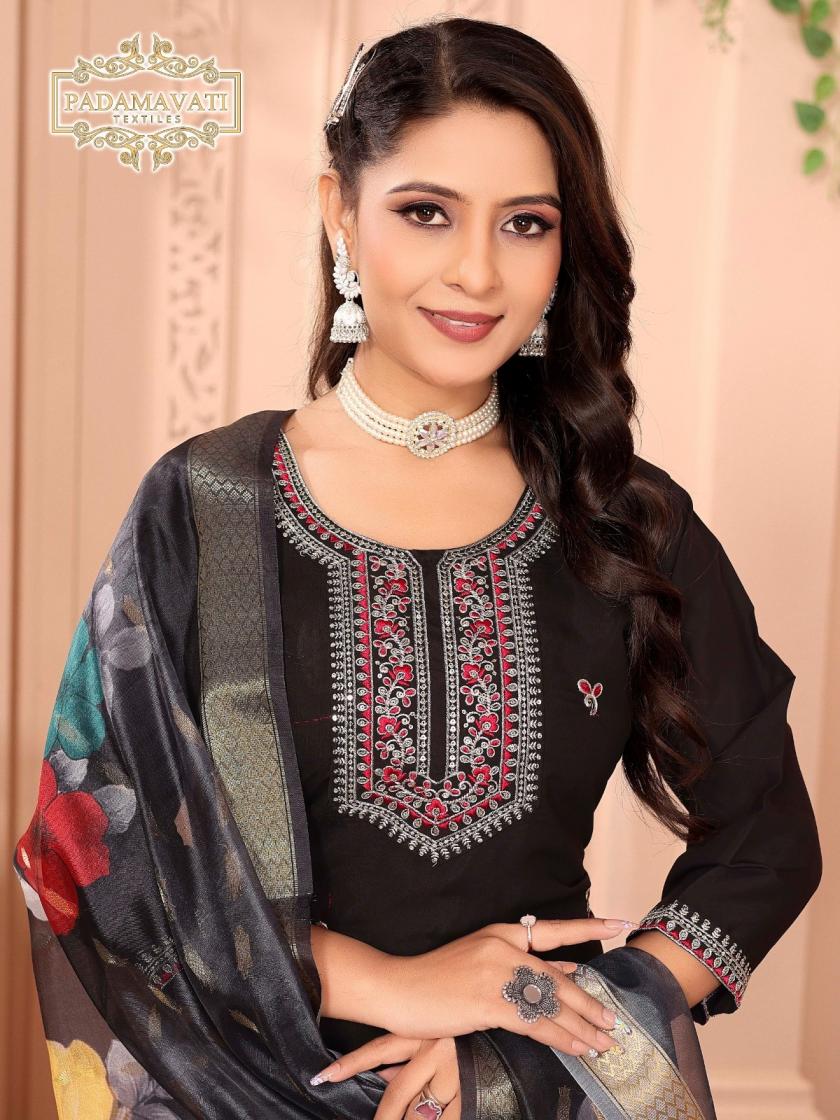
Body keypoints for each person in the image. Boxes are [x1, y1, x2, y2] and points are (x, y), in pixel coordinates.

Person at [12, 16, 822, 1120]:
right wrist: (391, 983)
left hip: (543, 1092)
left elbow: (768, 838)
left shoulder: (621, 518)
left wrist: (558, 1022)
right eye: (426, 212)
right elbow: (85, 862)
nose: (476, 271)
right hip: (256, 1089)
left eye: (525, 223)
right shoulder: (205, 508)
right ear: (340, 212)